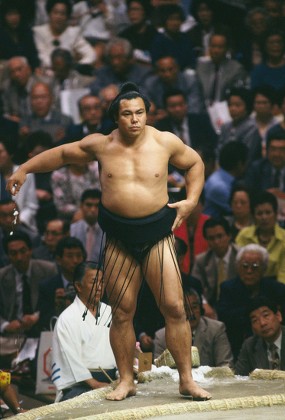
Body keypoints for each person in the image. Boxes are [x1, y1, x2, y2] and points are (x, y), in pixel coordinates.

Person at [7, 81, 211, 401]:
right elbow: (61, 154)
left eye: (140, 113)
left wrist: (191, 199)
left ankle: (186, 379)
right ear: (117, 117)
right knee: (122, 311)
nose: (134, 120)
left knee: (174, 307)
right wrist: (25, 168)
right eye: (127, 114)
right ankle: (126, 380)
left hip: (156, 234)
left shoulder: (165, 142)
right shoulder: (101, 145)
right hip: (119, 237)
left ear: (147, 114)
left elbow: (195, 163)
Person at [52, 261, 116, 401]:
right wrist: (94, 383)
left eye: (102, 282)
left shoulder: (109, 312)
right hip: (80, 385)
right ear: (78, 286)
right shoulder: (67, 318)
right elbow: (70, 357)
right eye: (94, 282)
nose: (99, 287)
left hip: (113, 378)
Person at [217, 244, 285, 359]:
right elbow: (224, 317)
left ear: (264, 269)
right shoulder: (228, 288)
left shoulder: (277, 289)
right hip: (237, 343)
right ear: (238, 267)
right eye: (244, 266)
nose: (249, 271)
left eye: (255, 267)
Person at [0, 232, 57, 366]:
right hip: (13, 335)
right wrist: (6, 325)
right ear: (8, 255)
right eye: (13, 253)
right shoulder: (2, 277)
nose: (19, 257)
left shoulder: (48, 269)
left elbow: (53, 303)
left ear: (30, 250)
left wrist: (37, 316)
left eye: (23, 251)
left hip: (42, 330)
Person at [154, 286, 233, 367]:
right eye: (185, 308)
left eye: (194, 307)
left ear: (200, 308)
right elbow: (159, 371)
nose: (191, 313)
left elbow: (226, 365)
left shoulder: (216, 329)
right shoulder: (162, 336)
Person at [192, 217, 239, 318]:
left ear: (229, 236)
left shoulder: (241, 256)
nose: (216, 242)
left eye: (220, 236)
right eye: (211, 238)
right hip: (211, 309)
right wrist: (204, 303)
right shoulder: (201, 260)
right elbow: (194, 288)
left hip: (237, 305)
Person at [38, 236, 86, 331]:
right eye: (70, 256)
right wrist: (58, 309)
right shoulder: (47, 287)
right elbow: (43, 322)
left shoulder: (93, 285)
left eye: (79, 256)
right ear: (59, 260)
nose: (75, 261)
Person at [235, 191, 285, 282]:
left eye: (268, 212)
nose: (264, 217)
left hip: (276, 287)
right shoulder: (244, 235)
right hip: (246, 282)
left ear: (275, 214)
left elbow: (283, 274)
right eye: (259, 213)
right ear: (253, 216)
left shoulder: (284, 238)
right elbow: (238, 266)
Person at [235, 296, 285, 375]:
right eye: (255, 320)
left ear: (278, 316)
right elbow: (239, 377)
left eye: (266, 315)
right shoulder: (249, 346)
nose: (262, 323)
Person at [70, 189, 104, 261]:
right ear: (81, 206)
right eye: (89, 205)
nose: (92, 209)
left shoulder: (109, 232)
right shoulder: (71, 230)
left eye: (97, 205)